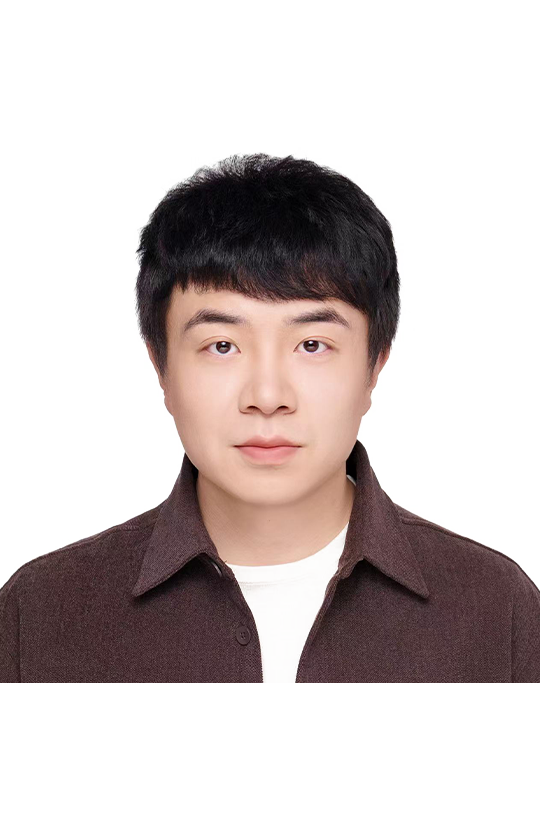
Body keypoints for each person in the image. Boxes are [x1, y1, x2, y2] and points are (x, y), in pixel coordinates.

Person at [1, 152, 539, 683]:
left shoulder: (497, 608)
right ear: (160, 368)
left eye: (312, 344)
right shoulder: (40, 612)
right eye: (221, 346)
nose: (267, 396)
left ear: (374, 366)